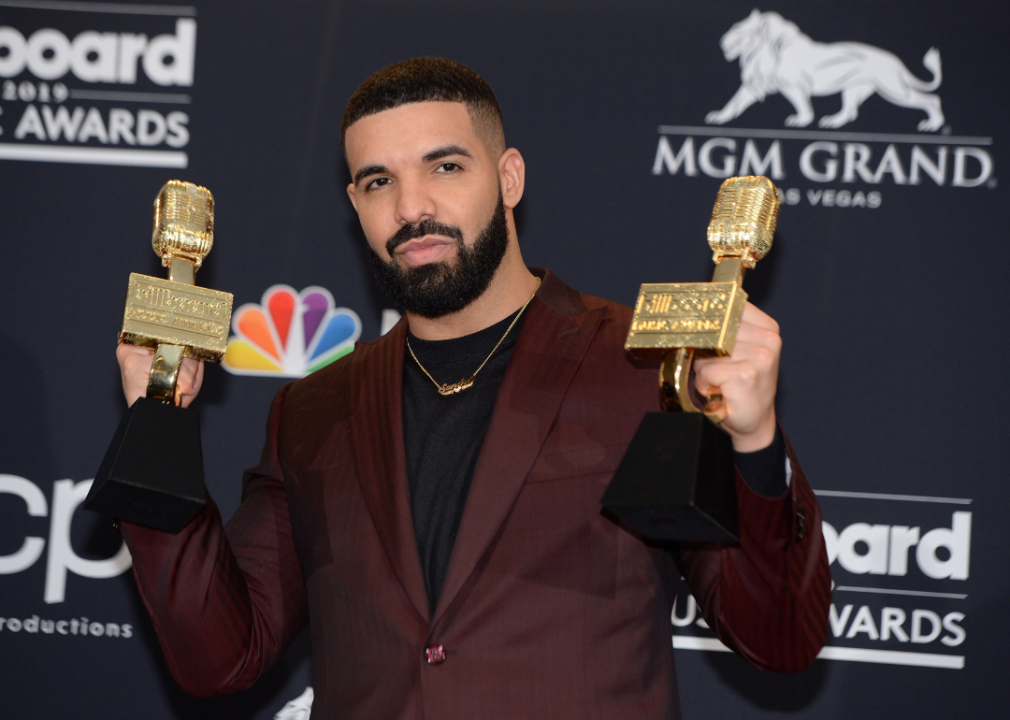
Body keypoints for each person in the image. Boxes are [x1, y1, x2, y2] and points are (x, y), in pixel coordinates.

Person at [116, 57, 830, 719]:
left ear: (509, 176)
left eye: (445, 166)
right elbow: (221, 657)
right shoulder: (312, 410)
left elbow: (779, 637)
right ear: (355, 204)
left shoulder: (644, 367)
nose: (411, 207)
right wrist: (158, 422)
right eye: (378, 181)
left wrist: (754, 443)